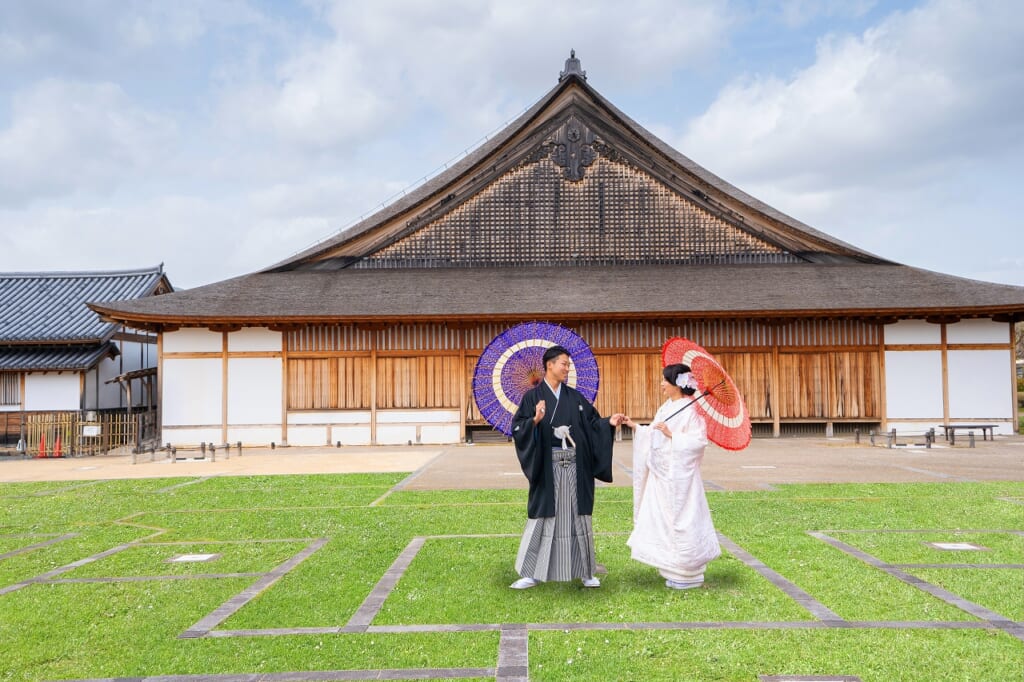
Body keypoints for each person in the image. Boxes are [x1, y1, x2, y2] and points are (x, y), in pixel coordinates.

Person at [509, 345, 625, 589]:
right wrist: (535, 420)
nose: (567, 368)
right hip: (547, 468)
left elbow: (592, 424)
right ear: (549, 365)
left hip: (575, 467)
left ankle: (586, 572)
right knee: (544, 518)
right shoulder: (532, 398)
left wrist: (608, 422)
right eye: (564, 363)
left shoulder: (575, 397)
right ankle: (532, 573)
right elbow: (518, 428)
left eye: (568, 364)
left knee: (578, 517)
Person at [621, 363, 721, 590]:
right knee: (662, 521)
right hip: (661, 476)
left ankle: (687, 571)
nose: (662, 384)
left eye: (665, 381)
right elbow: (654, 433)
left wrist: (672, 435)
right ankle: (671, 567)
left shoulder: (690, 411)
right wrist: (636, 427)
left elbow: (698, 442)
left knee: (681, 519)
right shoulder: (668, 407)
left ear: (677, 384)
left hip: (679, 479)